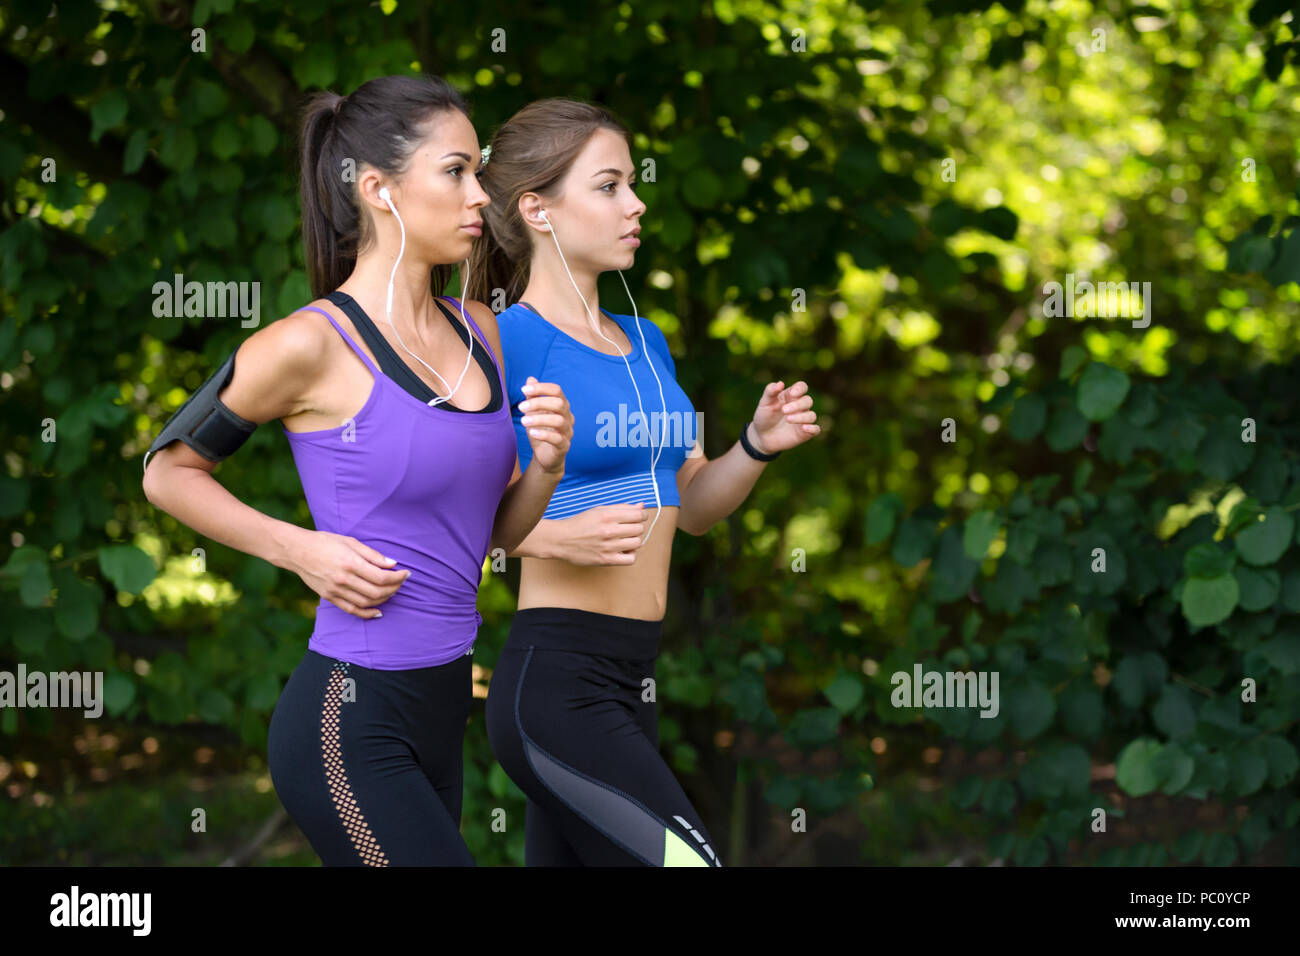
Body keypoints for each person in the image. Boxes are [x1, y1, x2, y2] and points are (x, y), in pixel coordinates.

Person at [141, 75, 572, 866]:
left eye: (479, 171)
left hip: (444, 707)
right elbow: (168, 471)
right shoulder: (308, 344)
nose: (481, 194)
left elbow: (490, 536)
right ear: (377, 189)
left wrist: (545, 464)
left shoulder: (481, 329)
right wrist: (299, 549)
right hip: (347, 715)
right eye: (456, 171)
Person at [473, 98, 821, 866]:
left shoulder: (646, 341)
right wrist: (557, 534)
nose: (636, 204)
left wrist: (755, 446)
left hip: (632, 683)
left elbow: (692, 506)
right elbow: (448, 509)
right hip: (557, 686)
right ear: (538, 209)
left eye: (632, 184)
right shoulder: (500, 337)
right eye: (609, 186)